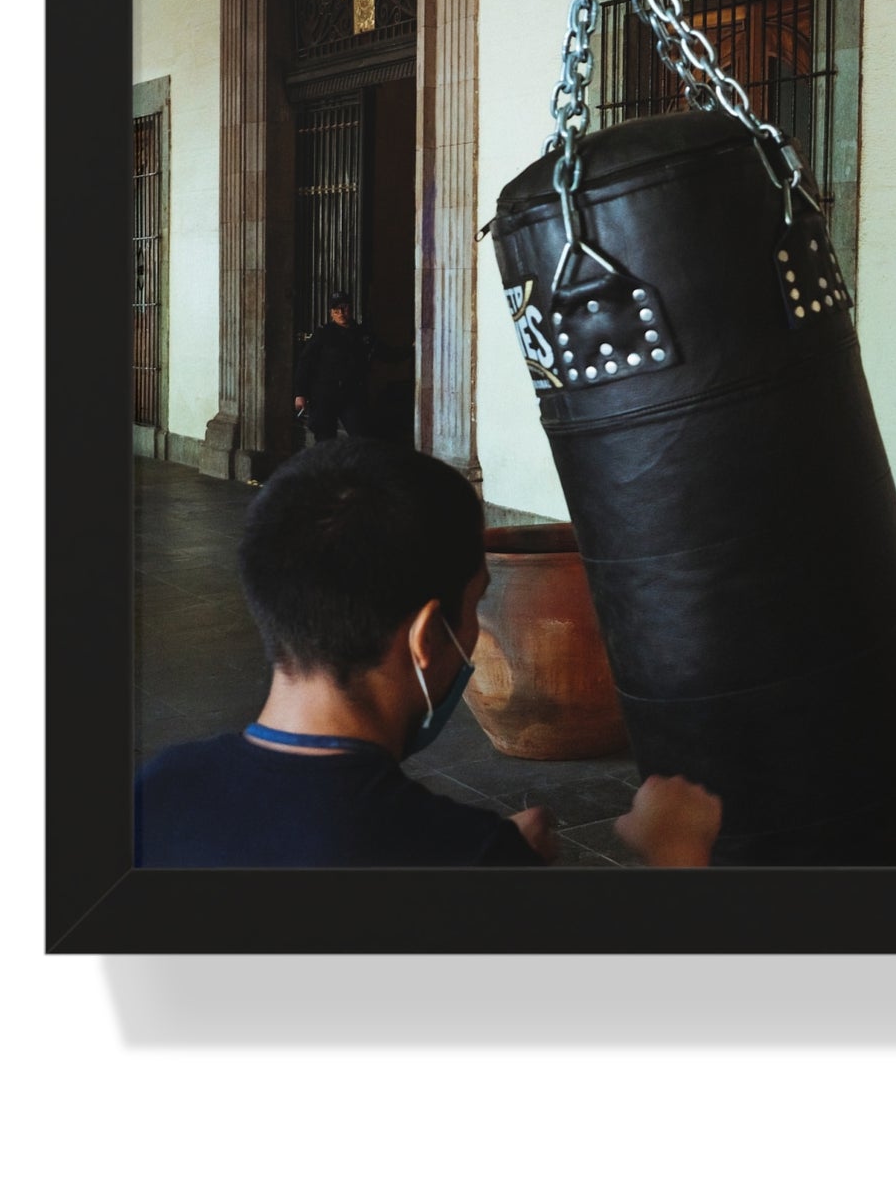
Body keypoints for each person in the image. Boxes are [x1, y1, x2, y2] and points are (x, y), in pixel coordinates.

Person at [135, 439, 721, 869]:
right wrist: (677, 857)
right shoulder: (461, 858)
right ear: (424, 638)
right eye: (473, 608)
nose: (472, 636)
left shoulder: (155, 791)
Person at [294, 291, 393, 441]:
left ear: (351, 309)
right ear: (331, 313)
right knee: (325, 442)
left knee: (362, 438)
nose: (341, 313)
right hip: (324, 395)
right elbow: (305, 363)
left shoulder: (362, 334)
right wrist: (300, 394)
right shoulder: (323, 334)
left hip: (352, 395)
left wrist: (412, 350)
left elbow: (385, 352)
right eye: (336, 310)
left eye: (344, 308)